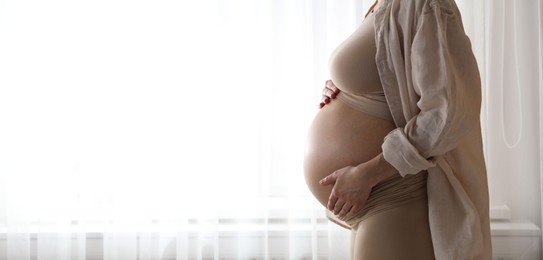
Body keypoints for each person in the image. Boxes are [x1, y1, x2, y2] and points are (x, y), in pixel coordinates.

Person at [303, 0, 492, 259]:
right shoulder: (384, 3)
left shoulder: (426, 4)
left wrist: (366, 174)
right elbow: (389, 82)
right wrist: (341, 87)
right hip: (373, 199)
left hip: (395, 194)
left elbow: (447, 114)